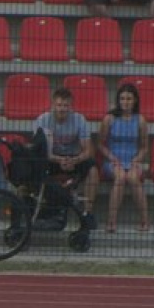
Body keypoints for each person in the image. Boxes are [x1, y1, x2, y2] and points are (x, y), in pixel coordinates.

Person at [34, 88, 99, 220]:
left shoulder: (80, 120)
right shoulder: (42, 120)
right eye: (59, 105)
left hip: (74, 159)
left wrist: (75, 160)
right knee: (37, 164)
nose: (62, 109)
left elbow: (88, 150)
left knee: (93, 169)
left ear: (71, 107)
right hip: (51, 160)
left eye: (66, 106)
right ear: (53, 105)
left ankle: (88, 212)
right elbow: (40, 151)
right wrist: (59, 160)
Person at [98, 84, 150, 233]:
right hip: (113, 160)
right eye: (122, 98)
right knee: (120, 177)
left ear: (135, 101)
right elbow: (100, 144)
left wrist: (137, 159)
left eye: (128, 98)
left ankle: (145, 221)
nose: (125, 102)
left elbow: (145, 147)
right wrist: (112, 158)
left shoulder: (140, 120)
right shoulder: (109, 119)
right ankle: (112, 221)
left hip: (132, 160)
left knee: (133, 178)